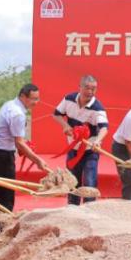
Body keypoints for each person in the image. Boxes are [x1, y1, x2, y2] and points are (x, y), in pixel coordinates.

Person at [0, 84, 45, 234]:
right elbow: (19, 142)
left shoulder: (10, 104)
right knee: (6, 196)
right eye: (33, 99)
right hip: (2, 155)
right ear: (23, 97)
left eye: (38, 99)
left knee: (3, 194)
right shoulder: (17, 113)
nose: (36, 102)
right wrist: (38, 160)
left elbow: (18, 143)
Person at [53, 75, 108, 206]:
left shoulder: (97, 108)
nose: (90, 91)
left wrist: (98, 141)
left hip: (90, 151)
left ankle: (90, 210)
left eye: (93, 89)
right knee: (72, 181)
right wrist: (65, 125)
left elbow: (104, 128)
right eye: (87, 88)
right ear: (80, 87)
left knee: (89, 183)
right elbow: (56, 114)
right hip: (73, 149)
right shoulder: (69, 99)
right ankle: (72, 209)